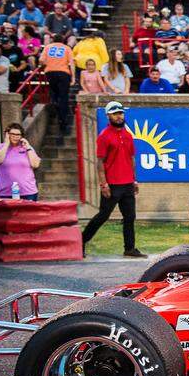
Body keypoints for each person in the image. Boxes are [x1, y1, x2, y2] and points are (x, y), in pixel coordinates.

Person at [81, 101, 145, 258]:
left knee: (130, 217)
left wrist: (134, 180)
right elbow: (100, 162)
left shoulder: (128, 135)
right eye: (115, 114)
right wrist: (104, 184)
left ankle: (129, 249)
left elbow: (131, 159)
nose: (119, 116)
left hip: (127, 183)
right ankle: (81, 241)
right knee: (103, 216)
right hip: (112, 184)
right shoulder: (104, 136)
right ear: (108, 116)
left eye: (120, 113)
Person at [0, 122, 40, 201]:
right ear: (7, 134)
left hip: (28, 192)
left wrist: (28, 147)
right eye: (12, 134)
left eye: (18, 135)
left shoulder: (27, 148)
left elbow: (35, 165)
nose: (15, 137)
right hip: (5, 193)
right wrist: (6, 145)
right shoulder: (0, 147)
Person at [38, 34, 75, 135]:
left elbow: (41, 60)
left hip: (50, 72)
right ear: (63, 40)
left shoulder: (48, 47)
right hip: (63, 73)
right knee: (63, 97)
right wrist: (73, 77)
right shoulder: (67, 48)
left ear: (53, 40)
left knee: (54, 92)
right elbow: (72, 64)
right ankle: (63, 121)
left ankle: (54, 104)